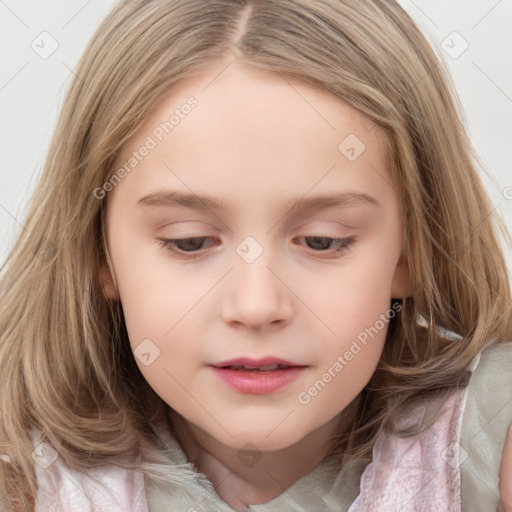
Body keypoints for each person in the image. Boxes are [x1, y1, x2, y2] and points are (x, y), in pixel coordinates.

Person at [0, 0, 511, 510]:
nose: (256, 305)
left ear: (411, 251)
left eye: (323, 241)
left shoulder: (493, 437)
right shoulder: (22, 473)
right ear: (100, 254)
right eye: (189, 241)